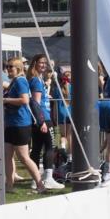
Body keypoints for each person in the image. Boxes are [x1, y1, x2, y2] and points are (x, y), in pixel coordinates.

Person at [1, 56, 46, 193]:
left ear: (18, 68)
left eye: (11, 67)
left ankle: (40, 184)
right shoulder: (14, 81)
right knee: (7, 156)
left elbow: (25, 100)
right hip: (11, 123)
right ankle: (9, 186)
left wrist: (6, 100)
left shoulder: (21, 81)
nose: (8, 69)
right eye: (7, 66)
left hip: (20, 123)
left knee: (24, 157)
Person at [28, 54, 63, 190]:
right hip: (43, 118)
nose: (43, 65)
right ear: (35, 63)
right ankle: (48, 178)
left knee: (37, 148)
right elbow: (36, 103)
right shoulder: (36, 81)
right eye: (41, 62)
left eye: (45, 63)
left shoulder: (37, 79)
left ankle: (35, 179)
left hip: (39, 119)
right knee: (50, 146)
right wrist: (41, 121)